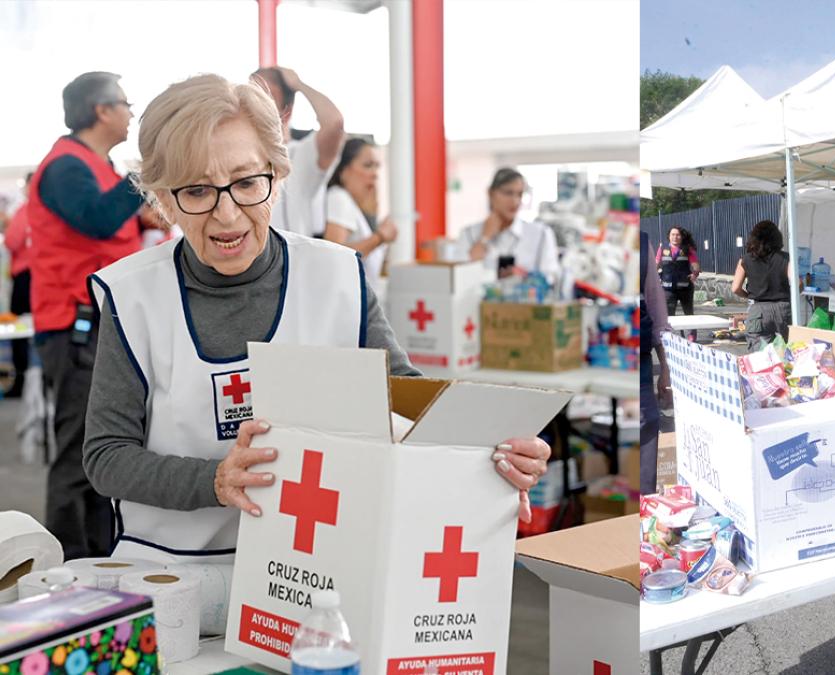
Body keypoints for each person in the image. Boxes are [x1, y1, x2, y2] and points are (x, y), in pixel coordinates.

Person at [82, 74, 551, 563]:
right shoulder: (133, 296)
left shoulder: (337, 275)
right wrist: (215, 480)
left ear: (278, 174)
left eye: (246, 183)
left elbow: (406, 407)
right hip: (176, 570)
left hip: (314, 569)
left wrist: (494, 453)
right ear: (162, 197)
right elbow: (106, 455)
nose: (226, 215)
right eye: (197, 191)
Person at [25, 71, 149, 559]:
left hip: (97, 324)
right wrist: (142, 177)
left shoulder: (94, 164)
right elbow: (96, 218)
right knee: (78, 452)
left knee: (103, 448)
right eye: (124, 102)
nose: (130, 111)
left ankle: (101, 560)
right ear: (101, 110)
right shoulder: (66, 168)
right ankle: (68, 569)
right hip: (76, 326)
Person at [251, 66, 344, 239]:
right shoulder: (238, 156)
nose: (254, 104)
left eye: (266, 96)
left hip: (291, 262)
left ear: (287, 112)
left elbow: (334, 122)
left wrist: (298, 84)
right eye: (251, 94)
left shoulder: (299, 155)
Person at [453, 168, 560, 281]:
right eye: (508, 193)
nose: (515, 201)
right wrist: (484, 238)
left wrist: (524, 277)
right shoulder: (469, 234)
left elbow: (551, 278)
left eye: (519, 194)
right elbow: (461, 277)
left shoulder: (540, 234)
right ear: (490, 193)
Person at [324, 137, 398, 294]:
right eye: (367, 166)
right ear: (344, 170)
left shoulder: (353, 204)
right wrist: (379, 237)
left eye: (377, 167)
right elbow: (334, 255)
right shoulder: (339, 198)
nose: (375, 174)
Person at [640, 231, 671, 496]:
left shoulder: (640, 242)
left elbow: (654, 301)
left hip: (636, 357)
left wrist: (666, 367)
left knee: (645, 427)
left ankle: (643, 508)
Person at [732, 220, 791, 346]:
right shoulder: (786, 258)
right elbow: (798, 284)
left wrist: (748, 295)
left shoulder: (745, 259)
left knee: (761, 357)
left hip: (758, 311)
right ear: (777, 238)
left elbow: (735, 288)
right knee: (789, 352)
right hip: (784, 309)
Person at [4, 173, 34, 398]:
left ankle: (23, 380)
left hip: (26, 278)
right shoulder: (53, 211)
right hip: (45, 277)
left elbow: (12, 241)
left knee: (20, 330)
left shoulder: (26, 211)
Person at [656, 227, 701, 317]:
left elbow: (696, 266)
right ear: (669, 236)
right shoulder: (662, 248)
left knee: (689, 314)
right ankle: (669, 331)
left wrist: (695, 274)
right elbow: (656, 264)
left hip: (685, 288)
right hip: (668, 289)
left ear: (682, 237)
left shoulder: (687, 249)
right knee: (669, 316)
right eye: (672, 234)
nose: (675, 237)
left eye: (678, 235)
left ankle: (691, 331)